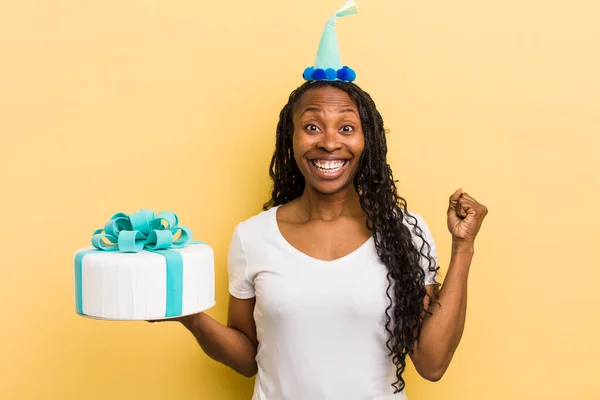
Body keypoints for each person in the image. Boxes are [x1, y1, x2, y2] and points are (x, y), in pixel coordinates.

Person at [157, 2, 488, 399]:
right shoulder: (253, 237)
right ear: (291, 139)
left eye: (346, 127)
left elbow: (432, 364)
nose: (329, 142)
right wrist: (189, 317)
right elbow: (248, 359)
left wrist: (463, 247)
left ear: (368, 141)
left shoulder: (404, 233)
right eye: (312, 126)